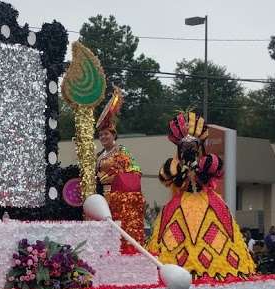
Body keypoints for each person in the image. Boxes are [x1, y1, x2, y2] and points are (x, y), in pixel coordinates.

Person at [146, 111, 255, 278]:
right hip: (180, 205)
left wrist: (198, 168)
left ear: (199, 146)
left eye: (193, 145)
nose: (189, 148)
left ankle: (217, 270)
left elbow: (216, 172)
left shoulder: (208, 162)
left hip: (207, 202)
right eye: (185, 146)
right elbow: (169, 179)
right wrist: (182, 171)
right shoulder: (174, 166)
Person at [94, 89, 145, 253]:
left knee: (119, 228)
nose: (103, 137)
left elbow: (135, 169)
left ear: (113, 135)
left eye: (106, 134)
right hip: (102, 196)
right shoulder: (99, 155)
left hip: (118, 196)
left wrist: (115, 175)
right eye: (101, 135)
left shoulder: (121, 151)